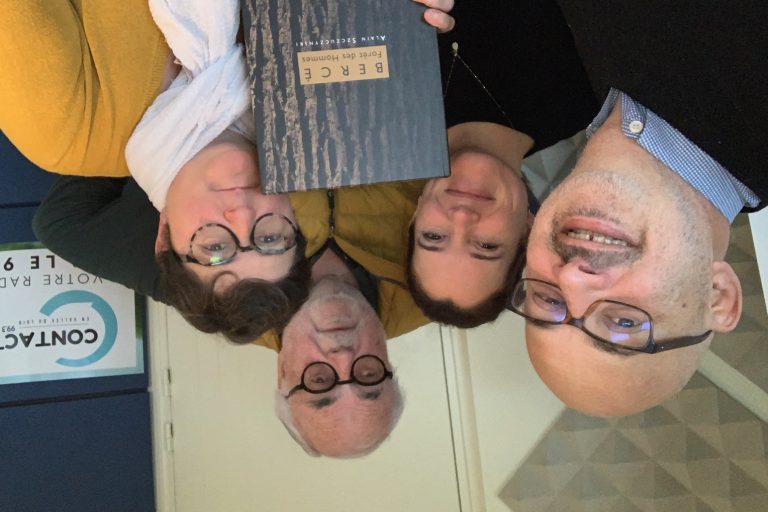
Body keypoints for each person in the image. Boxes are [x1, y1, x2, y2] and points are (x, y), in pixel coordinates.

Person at [1, 0, 452, 342]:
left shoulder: (69, 128)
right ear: (293, 219)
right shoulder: (317, 87)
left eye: (215, 247)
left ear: (163, 238)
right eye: (270, 238)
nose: (240, 214)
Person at [512, 1, 768, 417]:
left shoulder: (572, 66)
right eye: (624, 323)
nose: (572, 277)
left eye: (547, 300)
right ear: (717, 295)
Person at [406, 0, 599, 327]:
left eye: (434, 237)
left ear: (416, 215)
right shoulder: (581, 96)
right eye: (486, 245)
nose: (462, 217)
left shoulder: (379, 109)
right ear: (528, 228)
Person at [275, 247, 403, 457]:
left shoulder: (227, 297)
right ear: (386, 361)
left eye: (319, 380)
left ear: (282, 371)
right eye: (368, 375)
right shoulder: (434, 288)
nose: (343, 356)